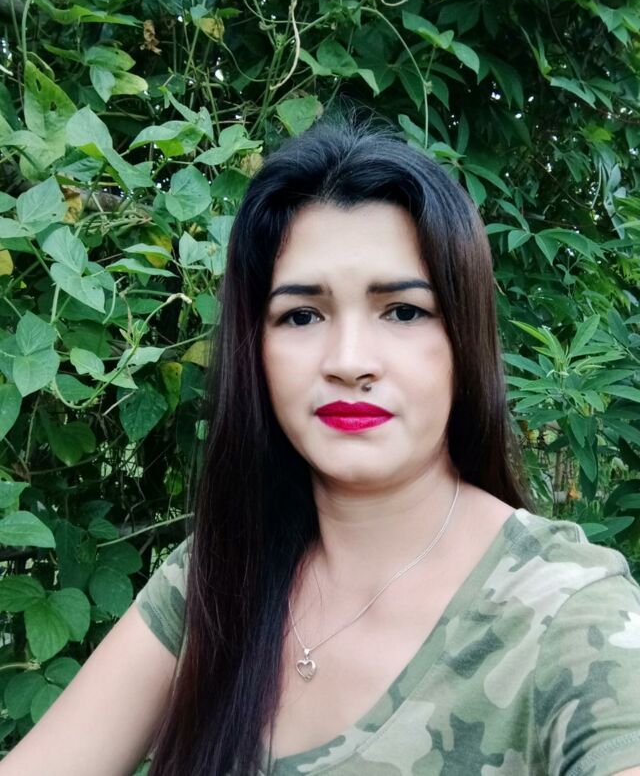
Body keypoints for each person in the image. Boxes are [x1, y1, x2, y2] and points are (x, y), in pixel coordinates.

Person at [2, 117, 640, 776]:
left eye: (403, 311)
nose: (349, 361)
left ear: (463, 340)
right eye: (301, 315)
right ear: (256, 350)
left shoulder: (568, 617)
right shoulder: (218, 576)